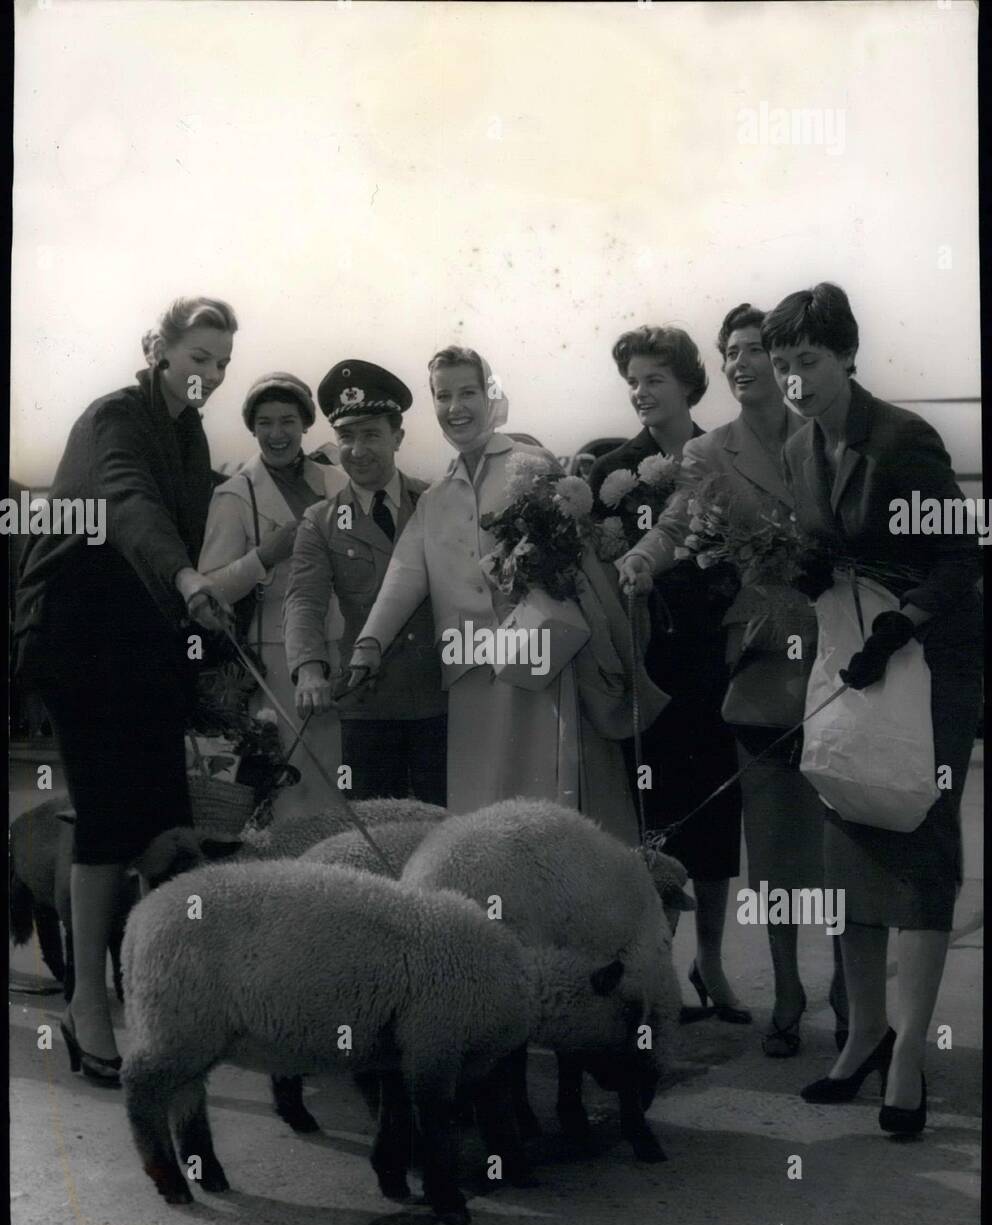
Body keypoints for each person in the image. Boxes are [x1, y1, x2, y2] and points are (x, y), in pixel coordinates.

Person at [763, 282, 981, 1134]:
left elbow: (960, 561)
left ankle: (910, 1060)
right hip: (854, 661)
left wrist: (902, 623)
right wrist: (807, 574)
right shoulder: (797, 447)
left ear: (848, 354)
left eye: (807, 362)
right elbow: (824, 548)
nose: (793, 381)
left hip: (929, 665)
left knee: (919, 842)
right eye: (781, 366)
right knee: (848, 842)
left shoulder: (902, 440)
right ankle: (861, 1038)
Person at [12, 296, 238, 1081]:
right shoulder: (115, 416)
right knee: (109, 818)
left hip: (146, 638)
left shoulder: (190, 429)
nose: (208, 374)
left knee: (165, 823)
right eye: (198, 357)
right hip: (81, 627)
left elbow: (197, 514)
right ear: (159, 348)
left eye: (220, 363)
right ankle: (86, 1006)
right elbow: (130, 503)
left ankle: (152, 993)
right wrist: (185, 575)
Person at [619, 305, 848, 1056]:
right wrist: (646, 559)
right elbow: (681, 521)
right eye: (732, 354)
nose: (743, 363)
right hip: (761, 663)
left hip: (844, 655)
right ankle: (786, 990)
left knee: (843, 830)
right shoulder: (710, 452)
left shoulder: (828, 434)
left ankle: (850, 982)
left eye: (756, 350)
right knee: (778, 839)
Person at [347, 345, 640, 840]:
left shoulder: (533, 464)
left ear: (490, 395)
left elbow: (574, 558)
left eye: (468, 392)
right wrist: (368, 645)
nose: (455, 407)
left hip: (538, 664)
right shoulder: (437, 498)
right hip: (470, 676)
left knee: (546, 802)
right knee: (482, 816)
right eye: (443, 396)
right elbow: (404, 573)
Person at [600, 325, 747, 1023]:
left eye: (654, 378)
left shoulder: (722, 455)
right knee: (652, 820)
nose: (640, 391)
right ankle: (659, 966)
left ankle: (711, 964)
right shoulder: (612, 471)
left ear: (689, 384)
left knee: (716, 815)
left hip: (711, 660)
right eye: (632, 379)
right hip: (642, 668)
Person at [283, 359, 447, 804]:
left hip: (443, 701)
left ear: (398, 437)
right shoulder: (320, 521)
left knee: (448, 835)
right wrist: (309, 670)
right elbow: (304, 601)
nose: (357, 449)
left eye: (371, 434)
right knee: (375, 841)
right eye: (346, 437)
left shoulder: (436, 502)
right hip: (366, 707)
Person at [198, 372, 348, 816]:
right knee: (292, 778)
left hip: (339, 646)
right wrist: (264, 555)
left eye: (288, 421)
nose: (277, 434)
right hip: (276, 660)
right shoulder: (234, 494)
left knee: (336, 780)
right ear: (252, 427)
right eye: (265, 423)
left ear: (305, 425)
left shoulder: (338, 483)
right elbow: (209, 590)